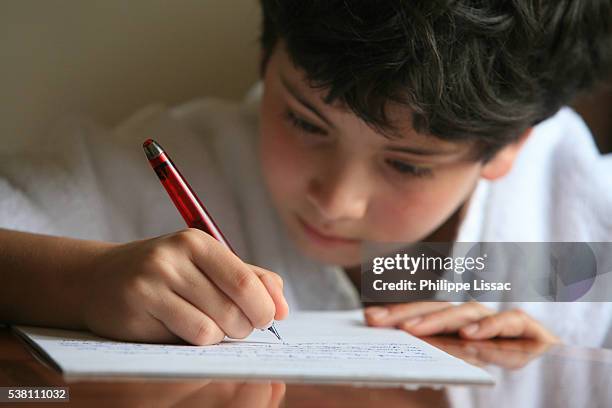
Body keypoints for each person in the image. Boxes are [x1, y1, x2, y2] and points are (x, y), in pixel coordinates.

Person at [1, 0, 611, 347]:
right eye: (305, 123)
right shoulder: (197, 153)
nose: (336, 201)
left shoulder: (583, 215)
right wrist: (80, 284)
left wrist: (561, 372)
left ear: (509, 147)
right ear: (267, 60)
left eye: (405, 163)